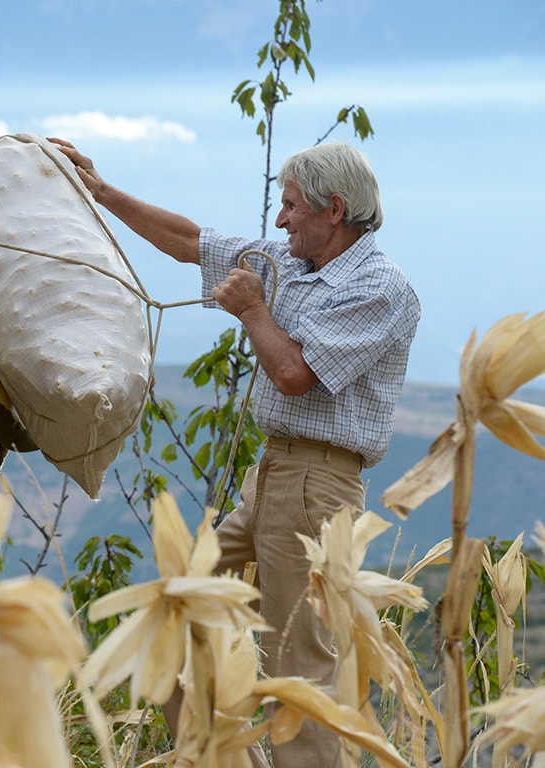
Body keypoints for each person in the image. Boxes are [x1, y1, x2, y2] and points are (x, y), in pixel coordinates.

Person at [52, 137, 419, 768]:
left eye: (292, 207)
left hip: (317, 486)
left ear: (335, 210)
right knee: (171, 615)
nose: (280, 220)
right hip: (273, 475)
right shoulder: (291, 264)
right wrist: (101, 191)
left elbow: (294, 374)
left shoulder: (381, 290)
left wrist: (251, 311)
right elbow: (193, 241)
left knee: (298, 669)